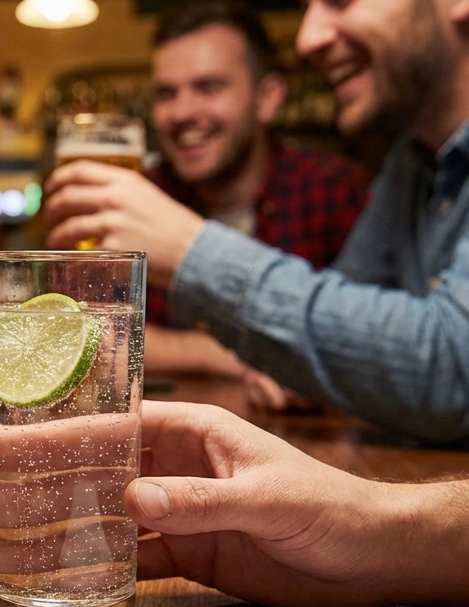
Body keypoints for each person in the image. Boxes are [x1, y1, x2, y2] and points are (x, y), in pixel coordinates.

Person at [44, 0, 469, 469]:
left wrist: (192, 250)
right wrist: (307, 359)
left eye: (340, 1)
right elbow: (346, 323)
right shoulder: (416, 160)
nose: (309, 37)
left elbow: (452, 371)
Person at [0, 401, 469, 607]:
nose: (308, 43)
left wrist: (382, 528)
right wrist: (386, 544)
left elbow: (446, 373)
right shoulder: (403, 177)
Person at [140, 0, 371, 378]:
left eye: (208, 87)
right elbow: (89, 337)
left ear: (268, 98)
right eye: (166, 94)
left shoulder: (333, 190)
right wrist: (221, 355)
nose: (182, 113)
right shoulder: (142, 198)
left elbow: (369, 343)